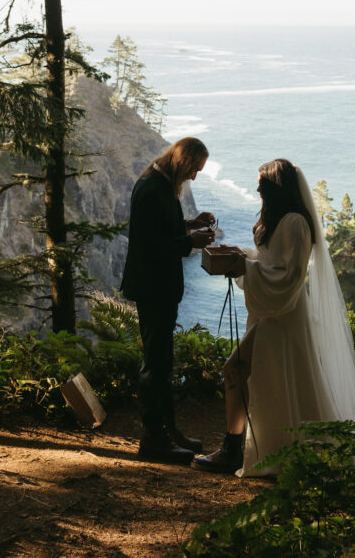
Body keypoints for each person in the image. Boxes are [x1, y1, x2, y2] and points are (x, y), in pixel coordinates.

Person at [193, 158, 355, 476]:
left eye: (262, 180)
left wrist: (245, 267)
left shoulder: (296, 223)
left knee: (237, 370)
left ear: (276, 186)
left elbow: (290, 276)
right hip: (270, 315)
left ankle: (236, 449)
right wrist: (244, 255)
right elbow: (270, 261)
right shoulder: (277, 219)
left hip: (284, 317)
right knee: (267, 378)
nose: (257, 185)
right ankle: (247, 447)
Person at [120, 137, 216, 464]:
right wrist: (190, 241)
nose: (194, 176)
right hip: (152, 287)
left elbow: (162, 229)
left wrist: (192, 223)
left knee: (163, 361)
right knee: (154, 363)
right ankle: (153, 439)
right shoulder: (151, 189)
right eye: (193, 168)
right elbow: (152, 245)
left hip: (158, 287)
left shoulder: (162, 183)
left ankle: (168, 430)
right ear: (182, 159)